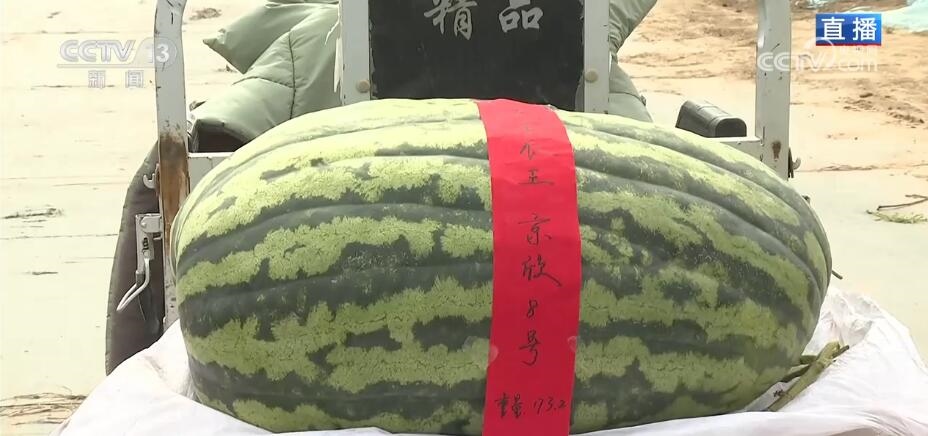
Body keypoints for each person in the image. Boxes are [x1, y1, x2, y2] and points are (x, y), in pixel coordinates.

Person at [104, 0, 658, 374]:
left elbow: (199, 154)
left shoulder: (315, 43)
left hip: (329, 293)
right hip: (566, 223)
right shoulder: (590, 49)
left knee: (163, 174)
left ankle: (132, 379)